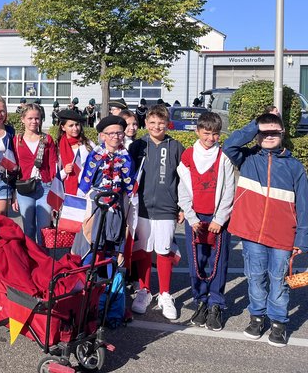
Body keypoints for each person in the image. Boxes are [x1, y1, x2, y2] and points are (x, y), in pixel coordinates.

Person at [224, 113, 308, 347]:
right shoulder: (248, 159)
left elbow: (304, 205)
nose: (269, 136)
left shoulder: (295, 167)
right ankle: (257, 317)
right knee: (255, 278)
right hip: (252, 235)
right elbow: (229, 144)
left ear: (283, 134)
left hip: (283, 235)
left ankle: (279, 323)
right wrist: (256, 123)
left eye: (274, 132)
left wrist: (302, 239)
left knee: (278, 280)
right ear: (258, 134)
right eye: (264, 132)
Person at [177, 112, 235, 331]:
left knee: (218, 263)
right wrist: (191, 217)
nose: (211, 138)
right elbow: (181, 188)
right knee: (197, 263)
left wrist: (220, 219)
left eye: (215, 134)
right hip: (195, 220)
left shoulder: (224, 157)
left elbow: (229, 189)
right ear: (198, 131)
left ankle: (216, 304)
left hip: (217, 219)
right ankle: (200, 300)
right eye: (206, 133)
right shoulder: (188, 156)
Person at [128, 104, 184, 321]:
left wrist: (181, 207)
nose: (156, 126)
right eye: (152, 122)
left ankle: (165, 294)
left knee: (164, 251)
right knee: (143, 250)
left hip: (166, 209)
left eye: (161, 123)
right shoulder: (138, 146)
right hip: (141, 207)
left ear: (167, 123)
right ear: (146, 123)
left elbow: (184, 181)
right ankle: (143, 290)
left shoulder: (176, 146)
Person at [72, 115, 136, 258]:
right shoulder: (95, 155)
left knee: (113, 242)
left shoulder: (126, 157)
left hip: (117, 203)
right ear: (102, 136)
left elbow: (130, 184)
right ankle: (87, 276)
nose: (116, 136)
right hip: (97, 202)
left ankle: (109, 277)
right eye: (111, 133)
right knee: (92, 241)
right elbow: (85, 181)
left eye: (119, 133)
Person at [12, 103, 58, 244]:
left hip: (45, 187)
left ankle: (42, 260)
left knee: (43, 229)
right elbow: (14, 169)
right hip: (24, 189)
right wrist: (14, 194)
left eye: (37, 118)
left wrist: (55, 195)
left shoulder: (47, 139)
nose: (34, 121)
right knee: (29, 229)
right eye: (30, 118)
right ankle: (30, 259)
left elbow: (53, 165)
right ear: (23, 119)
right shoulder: (16, 140)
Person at [56, 109, 95, 196]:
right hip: (65, 192)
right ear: (63, 127)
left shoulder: (88, 144)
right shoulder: (57, 147)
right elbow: (54, 176)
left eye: (77, 125)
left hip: (87, 190)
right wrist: (64, 171)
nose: (75, 128)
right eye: (71, 126)